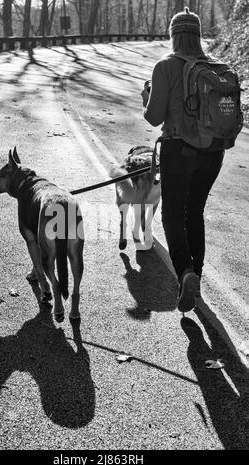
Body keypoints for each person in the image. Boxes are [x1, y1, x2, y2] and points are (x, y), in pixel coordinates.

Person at [141, 7, 225, 313]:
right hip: (214, 152)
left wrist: (146, 97)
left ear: (174, 35)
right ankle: (197, 277)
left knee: (173, 214)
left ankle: (185, 271)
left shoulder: (165, 66)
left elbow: (153, 117)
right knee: (195, 211)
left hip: (179, 149)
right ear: (198, 35)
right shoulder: (216, 68)